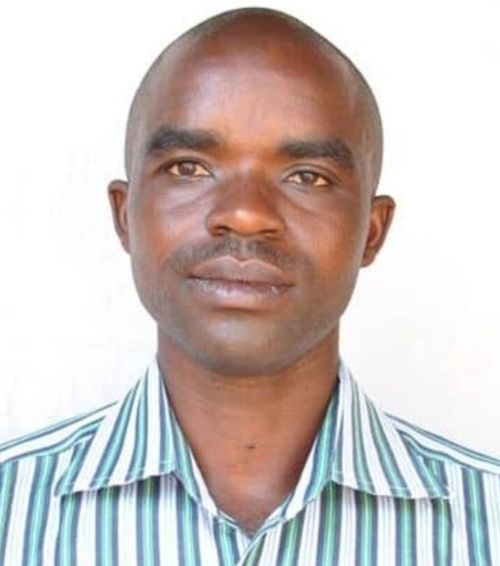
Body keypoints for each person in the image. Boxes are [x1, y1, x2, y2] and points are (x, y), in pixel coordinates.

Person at [0, 7, 499, 565]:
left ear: (371, 232)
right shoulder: (11, 513)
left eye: (307, 176)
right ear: (125, 216)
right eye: (189, 167)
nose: (243, 214)